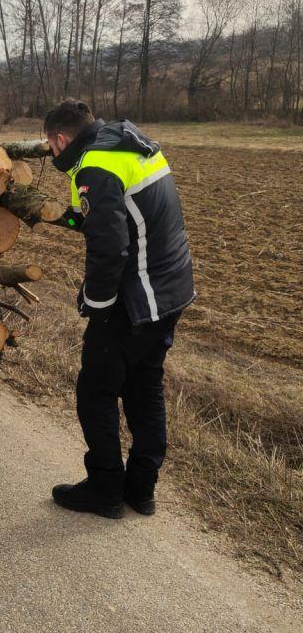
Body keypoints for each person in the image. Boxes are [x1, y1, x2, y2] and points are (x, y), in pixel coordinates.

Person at [44, 99, 195, 519]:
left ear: (60, 140)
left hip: (136, 300)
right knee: (145, 387)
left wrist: (96, 307)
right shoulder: (125, 143)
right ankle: (141, 489)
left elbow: (110, 249)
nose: (52, 154)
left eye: (50, 146)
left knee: (96, 390)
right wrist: (59, 218)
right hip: (172, 290)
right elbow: (110, 217)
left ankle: (105, 488)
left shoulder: (95, 165)